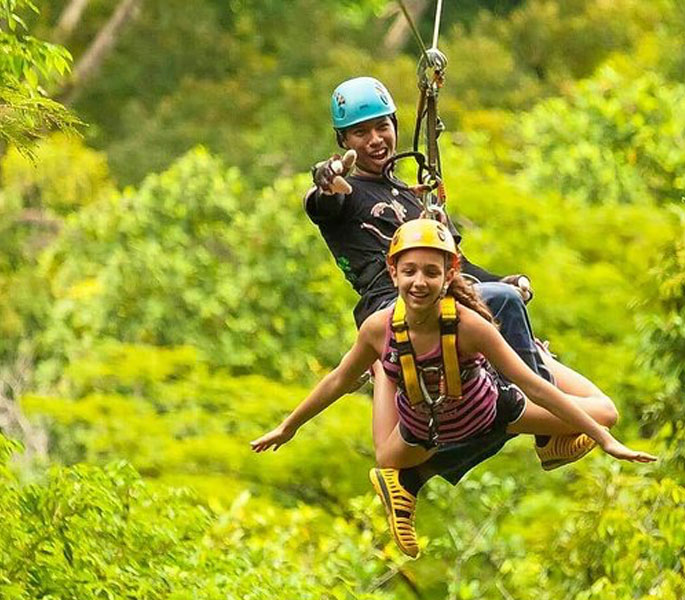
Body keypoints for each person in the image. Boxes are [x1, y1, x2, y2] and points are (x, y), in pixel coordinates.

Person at [303, 75, 612, 554]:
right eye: (360, 133)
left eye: (381, 126)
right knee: (509, 364)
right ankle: (545, 433)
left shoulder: (411, 197)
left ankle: (417, 476)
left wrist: (503, 280)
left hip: (442, 300)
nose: (375, 139)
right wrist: (326, 180)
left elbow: (456, 268)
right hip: (396, 307)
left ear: (394, 125)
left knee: (492, 411)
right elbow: (323, 203)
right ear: (343, 141)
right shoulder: (345, 197)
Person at [251, 219, 657, 557]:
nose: (419, 282)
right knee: (385, 457)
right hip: (423, 432)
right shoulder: (378, 328)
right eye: (409, 272)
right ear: (393, 273)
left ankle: (542, 360)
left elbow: (532, 385)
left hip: (495, 413)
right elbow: (338, 379)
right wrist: (289, 426)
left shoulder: (469, 326)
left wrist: (604, 439)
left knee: (604, 411)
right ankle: (387, 375)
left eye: (431, 272)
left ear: (450, 274)